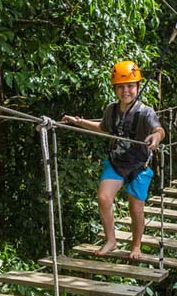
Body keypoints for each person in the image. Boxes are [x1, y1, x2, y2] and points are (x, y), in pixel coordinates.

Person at [61, 61, 165, 259]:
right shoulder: (112, 110)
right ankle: (111, 240)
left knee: (135, 207)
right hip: (117, 163)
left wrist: (156, 137)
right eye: (120, 87)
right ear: (115, 89)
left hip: (138, 166)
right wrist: (79, 122)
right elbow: (103, 128)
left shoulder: (146, 112)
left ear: (137, 87)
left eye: (130, 86)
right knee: (103, 198)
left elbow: (159, 129)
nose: (125, 91)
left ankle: (136, 245)